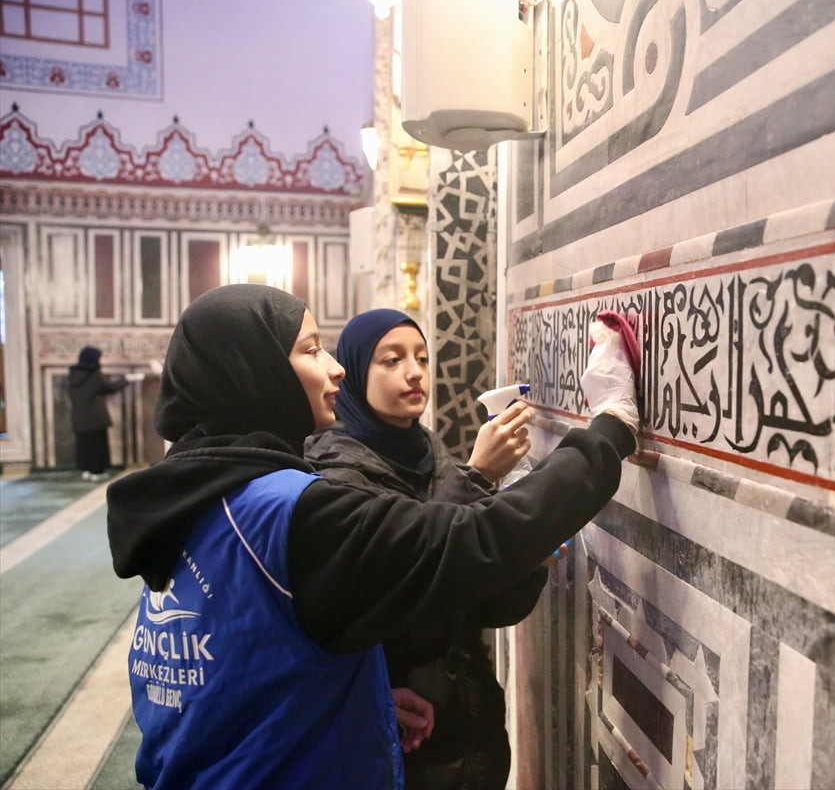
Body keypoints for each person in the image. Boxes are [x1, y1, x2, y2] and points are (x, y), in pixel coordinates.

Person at [105, 284, 639, 790]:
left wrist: (361, 696)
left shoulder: (194, 496)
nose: (334, 366)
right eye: (311, 350)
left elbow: (248, 660)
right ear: (253, 374)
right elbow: (479, 538)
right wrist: (610, 426)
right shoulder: (287, 510)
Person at [305, 309, 544, 789]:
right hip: (399, 729)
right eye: (391, 360)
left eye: (421, 358)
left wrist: (525, 549)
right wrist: (477, 477)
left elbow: (485, 604)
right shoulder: (333, 477)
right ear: (355, 374)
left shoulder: (434, 457)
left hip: (472, 720)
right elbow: (405, 585)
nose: (414, 372)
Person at [67, 346, 144, 481]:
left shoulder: (73, 375)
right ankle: (96, 471)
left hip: (79, 418)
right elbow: (109, 387)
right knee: (96, 446)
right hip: (95, 418)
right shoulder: (94, 375)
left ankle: (86, 470)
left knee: (84, 445)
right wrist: (127, 380)